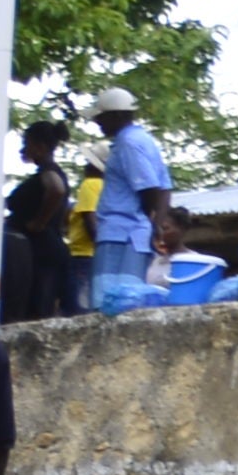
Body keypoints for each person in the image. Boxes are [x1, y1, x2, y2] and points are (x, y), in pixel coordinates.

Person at [84, 91, 171, 314]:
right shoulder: (144, 140)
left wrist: (148, 221)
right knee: (129, 302)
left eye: (100, 118)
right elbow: (164, 189)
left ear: (117, 116)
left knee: (112, 304)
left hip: (121, 235)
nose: (98, 123)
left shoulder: (128, 144)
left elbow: (150, 188)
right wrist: (155, 225)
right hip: (134, 234)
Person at [0, 119, 71, 326]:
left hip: (41, 251)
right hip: (41, 249)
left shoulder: (48, 171)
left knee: (38, 313)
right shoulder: (50, 172)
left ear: (39, 146)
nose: (24, 149)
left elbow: (56, 190)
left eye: (27, 143)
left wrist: (39, 223)